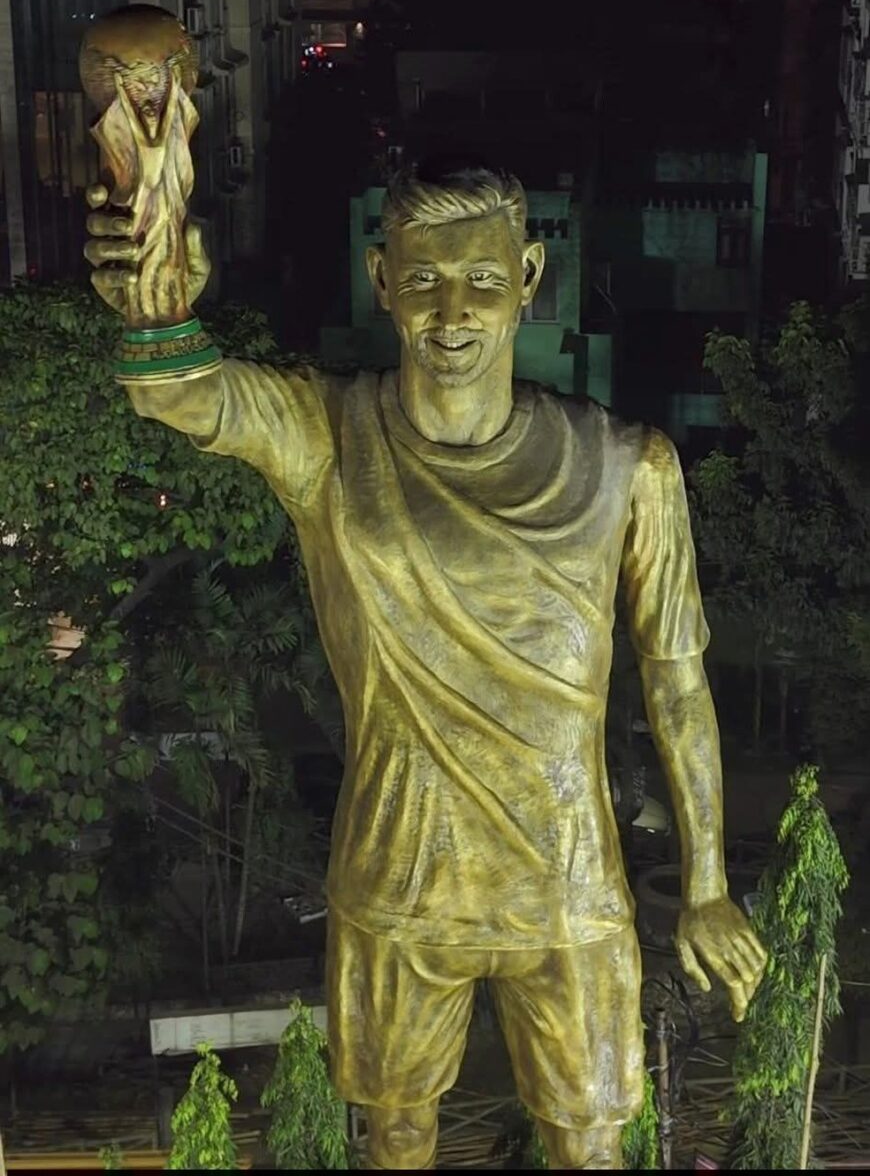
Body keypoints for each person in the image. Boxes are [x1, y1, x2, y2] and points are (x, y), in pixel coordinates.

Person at [85, 158, 766, 1169]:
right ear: (382, 280)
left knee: (593, 1144)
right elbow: (177, 393)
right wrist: (155, 306)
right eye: (423, 280)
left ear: (527, 278)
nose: (453, 313)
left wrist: (707, 884)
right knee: (396, 1135)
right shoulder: (328, 435)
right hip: (397, 877)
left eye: (483, 281)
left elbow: (677, 682)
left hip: (568, 883)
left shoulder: (629, 466)